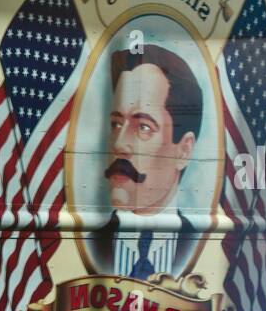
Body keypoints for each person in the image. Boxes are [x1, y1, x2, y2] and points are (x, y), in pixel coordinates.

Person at [86, 44, 203, 279]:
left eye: (143, 127)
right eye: (116, 124)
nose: (119, 144)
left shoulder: (197, 239)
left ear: (183, 151)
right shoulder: (93, 241)